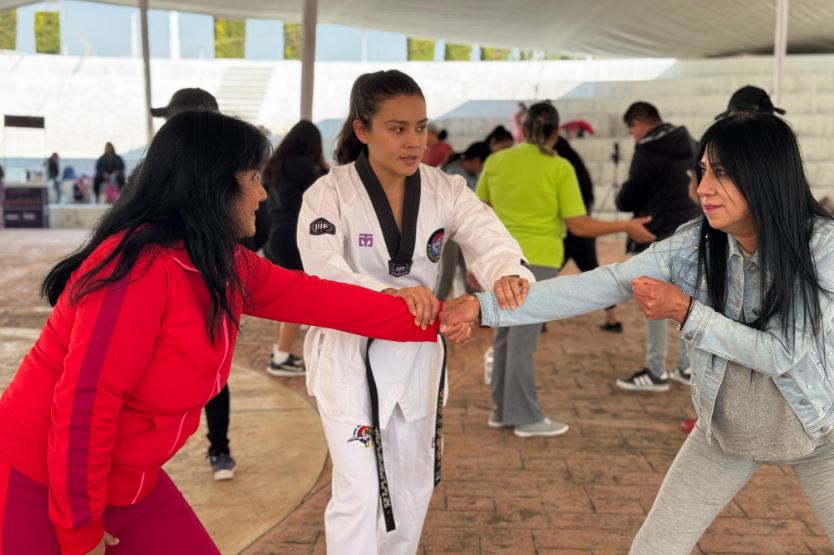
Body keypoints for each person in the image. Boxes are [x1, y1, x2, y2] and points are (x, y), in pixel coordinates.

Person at [0, 110, 467, 555]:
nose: (263, 194)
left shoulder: (220, 262)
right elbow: (85, 408)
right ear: (212, 186)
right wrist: (80, 532)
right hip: (42, 481)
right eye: (252, 178)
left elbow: (320, 299)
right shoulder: (137, 273)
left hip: (130, 483)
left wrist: (438, 316)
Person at [442, 112, 834, 553]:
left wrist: (687, 312)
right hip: (725, 434)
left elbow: (782, 352)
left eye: (721, 174)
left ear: (765, 175)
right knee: (653, 548)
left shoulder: (821, 246)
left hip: (821, 434)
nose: (703, 188)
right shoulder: (696, 243)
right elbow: (604, 283)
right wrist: (484, 307)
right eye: (703, 171)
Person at [299, 69, 533, 554]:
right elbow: (322, 269)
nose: (414, 141)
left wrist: (506, 272)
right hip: (351, 356)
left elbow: (487, 236)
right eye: (397, 128)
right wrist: (387, 294)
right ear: (362, 130)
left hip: (418, 353)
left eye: (421, 127)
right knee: (361, 494)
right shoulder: (330, 193)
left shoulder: (444, 188)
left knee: (412, 488)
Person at [475, 101, 655, 438]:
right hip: (538, 261)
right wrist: (625, 226)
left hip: (498, 260)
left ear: (524, 130)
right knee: (521, 341)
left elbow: (480, 212)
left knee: (504, 336)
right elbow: (579, 225)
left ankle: (502, 410)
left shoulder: (497, 161)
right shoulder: (559, 168)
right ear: (556, 133)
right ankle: (523, 416)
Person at [151, 86, 248, 481]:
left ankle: (219, 447)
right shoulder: (153, 172)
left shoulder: (226, 176)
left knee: (212, 369)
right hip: (159, 289)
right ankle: (142, 456)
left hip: (209, 283)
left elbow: (245, 234)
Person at [614, 101, 699, 392]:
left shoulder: (647, 150)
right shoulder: (691, 142)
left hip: (656, 235)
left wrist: (620, 198)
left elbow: (629, 198)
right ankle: (687, 368)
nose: (633, 136)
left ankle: (655, 371)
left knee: (653, 300)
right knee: (687, 302)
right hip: (692, 231)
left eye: (631, 130)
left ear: (638, 123)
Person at [262, 120, 329, 377]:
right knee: (297, 299)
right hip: (292, 237)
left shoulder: (277, 165)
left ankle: (280, 352)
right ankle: (280, 358)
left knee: (287, 297)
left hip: (275, 236)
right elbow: (321, 192)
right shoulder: (301, 164)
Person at [555, 132, 622, 333]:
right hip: (583, 232)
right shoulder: (578, 169)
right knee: (594, 276)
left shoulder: (563, 170)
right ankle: (613, 318)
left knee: (542, 277)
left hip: (569, 232)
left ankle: (535, 321)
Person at [434, 141, 493, 300]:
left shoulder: (469, 173)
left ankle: (476, 306)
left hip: (464, 229)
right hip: (448, 228)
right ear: (476, 160)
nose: (482, 170)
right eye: (482, 165)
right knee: (448, 272)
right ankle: (434, 309)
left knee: (468, 269)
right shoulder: (454, 173)